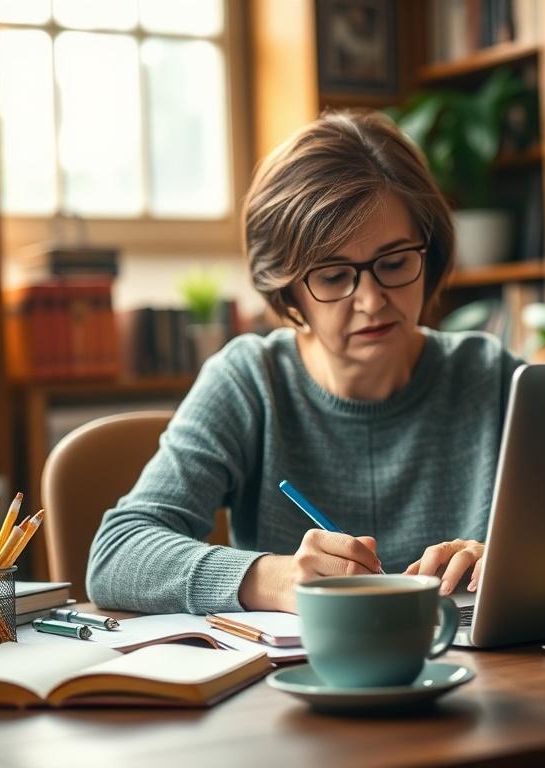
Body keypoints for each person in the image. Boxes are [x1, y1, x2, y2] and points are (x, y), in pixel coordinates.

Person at [86, 111, 520, 615]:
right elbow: (117, 553)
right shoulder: (251, 381)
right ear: (288, 289)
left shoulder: (494, 377)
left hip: (481, 680)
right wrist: (275, 579)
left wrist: (509, 559)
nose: (373, 300)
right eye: (334, 277)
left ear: (432, 251)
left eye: (396, 262)